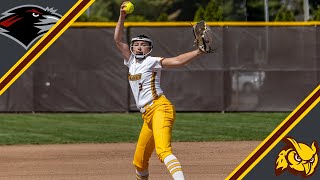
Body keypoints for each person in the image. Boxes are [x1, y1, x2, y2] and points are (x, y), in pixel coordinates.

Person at [114, 2, 205, 180]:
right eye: (136, 44)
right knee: (139, 162)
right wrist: (122, 16)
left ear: (149, 49)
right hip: (147, 116)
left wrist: (200, 50)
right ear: (132, 48)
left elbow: (178, 61)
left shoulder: (152, 61)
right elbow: (117, 40)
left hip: (160, 108)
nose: (139, 47)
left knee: (163, 151)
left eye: (143, 44)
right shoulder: (131, 62)